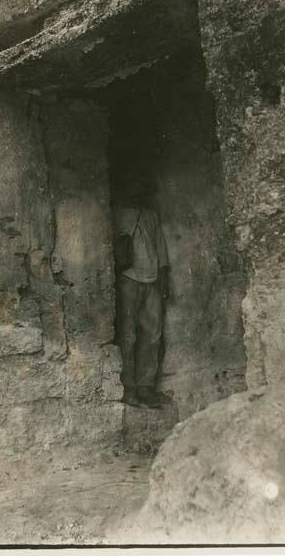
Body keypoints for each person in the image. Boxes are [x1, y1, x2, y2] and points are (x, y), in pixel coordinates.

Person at [113, 175, 170, 409]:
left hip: (152, 279)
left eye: (141, 188)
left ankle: (146, 386)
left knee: (153, 333)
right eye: (133, 187)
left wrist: (164, 275)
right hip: (129, 279)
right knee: (128, 334)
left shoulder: (151, 215)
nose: (137, 192)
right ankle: (128, 387)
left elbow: (160, 246)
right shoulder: (117, 212)